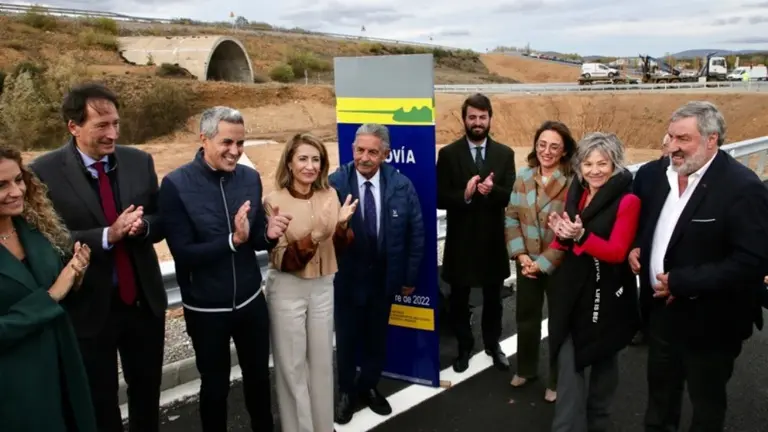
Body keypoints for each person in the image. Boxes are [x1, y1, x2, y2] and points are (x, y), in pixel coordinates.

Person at [29, 83, 168, 432]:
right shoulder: (43, 173)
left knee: (147, 396)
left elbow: (160, 217)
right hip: (90, 310)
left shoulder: (139, 161)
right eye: (102, 126)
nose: (113, 134)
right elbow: (48, 239)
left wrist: (143, 227)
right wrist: (108, 235)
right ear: (73, 127)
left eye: (116, 124)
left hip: (142, 305)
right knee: (99, 403)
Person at [637, 101, 768, 431]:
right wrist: (638, 246)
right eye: (671, 137)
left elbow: (751, 262)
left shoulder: (742, 188)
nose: (674, 147)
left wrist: (682, 282)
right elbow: (649, 223)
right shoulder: (657, 175)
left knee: (706, 406)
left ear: (712, 140)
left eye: (684, 139)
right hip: (661, 317)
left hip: (713, 323)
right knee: (660, 401)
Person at [159, 106, 291, 432]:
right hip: (206, 309)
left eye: (240, 143)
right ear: (204, 138)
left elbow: (257, 237)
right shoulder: (175, 184)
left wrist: (270, 235)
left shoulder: (249, 177)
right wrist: (232, 241)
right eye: (227, 143)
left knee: (259, 380)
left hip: (250, 301)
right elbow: (183, 253)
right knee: (215, 388)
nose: (235, 151)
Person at [330, 123, 425, 424]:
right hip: (346, 278)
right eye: (360, 150)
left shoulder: (401, 185)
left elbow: (416, 234)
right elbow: (320, 232)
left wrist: (409, 277)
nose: (365, 157)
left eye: (373, 151)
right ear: (352, 150)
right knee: (345, 339)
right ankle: (346, 391)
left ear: (385, 153)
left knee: (376, 338)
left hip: (384, 278)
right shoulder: (334, 183)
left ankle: (368, 386)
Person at [546, 132, 641, 432]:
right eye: (587, 164)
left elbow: (616, 252)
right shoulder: (578, 193)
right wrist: (561, 235)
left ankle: (599, 420)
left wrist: (580, 236)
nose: (594, 170)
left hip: (608, 295)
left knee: (604, 360)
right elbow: (565, 246)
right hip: (573, 291)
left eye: (603, 163)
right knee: (568, 356)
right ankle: (567, 427)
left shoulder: (628, 200)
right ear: (579, 166)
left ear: (615, 164)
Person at [263, 133, 357, 432]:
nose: (310, 166)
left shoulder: (330, 195)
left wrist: (341, 227)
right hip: (288, 289)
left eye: (316, 159)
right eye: (303, 158)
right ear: (289, 163)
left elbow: (337, 250)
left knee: (321, 365)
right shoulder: (273, 201)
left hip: (323, 287)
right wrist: (315, 236)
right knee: (291, 368)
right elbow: (281, 259)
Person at [0, 146, 96, 432]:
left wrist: (75, 275)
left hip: (62, 366)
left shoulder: (35, 228)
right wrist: (52, 295)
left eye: (18, 180)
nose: (17, 191)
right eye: (1, 185)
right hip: (13, 385)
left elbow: (61, 290)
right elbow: (52, 294)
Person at [436, 93, 516, 373]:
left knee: (494, 300)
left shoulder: (505, 154)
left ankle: (494, 345)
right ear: (464, 119)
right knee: (459, 299)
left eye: (483, 117)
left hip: (493, 242)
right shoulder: (448, 155)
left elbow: (511, 196)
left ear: (490, 119)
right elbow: (439, 197)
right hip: (460, 243)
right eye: (473, 117)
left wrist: (492, 191)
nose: (478, 122)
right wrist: (465, 195)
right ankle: (464, 346)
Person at [505, 121, 577, 403]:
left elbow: (572, 227)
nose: (547, 151)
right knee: (526, 318)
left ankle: (557, 380)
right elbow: (511, 217)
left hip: (559, 264)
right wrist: (521, 256)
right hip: (527, 263)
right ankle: (525, 369)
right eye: (542, 145)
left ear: (564, 151)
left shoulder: (573, 182)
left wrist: (543, 262)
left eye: (554, 146)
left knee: (560, 323)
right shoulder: (523, 177)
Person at [628, 133, 670, 346]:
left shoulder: (698, 177)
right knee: (647, 289)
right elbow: (634, 213)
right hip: (648, 244)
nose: (672, 150)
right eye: (667, 144)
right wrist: (635, 244)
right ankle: (644, 328)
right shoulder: (647, 173)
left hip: (677, 247)